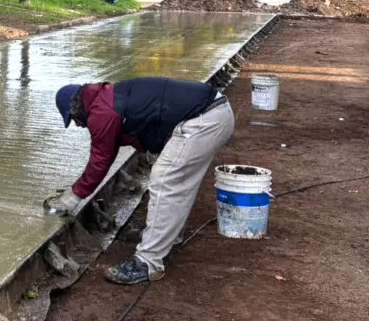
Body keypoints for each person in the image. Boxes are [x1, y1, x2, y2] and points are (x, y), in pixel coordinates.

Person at [49, 77, 235, 284]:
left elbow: (100, 161)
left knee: (164, 180)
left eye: (73, 118)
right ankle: (167, 236)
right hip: (212, 112)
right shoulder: (106, 97)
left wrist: (73, 196)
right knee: (177, 180)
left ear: (77, 107)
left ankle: (147, 263)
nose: (77, 125)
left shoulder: (101, 112)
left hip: (204, 120)